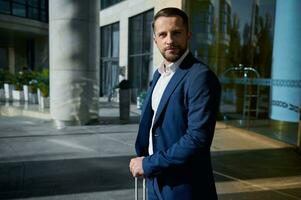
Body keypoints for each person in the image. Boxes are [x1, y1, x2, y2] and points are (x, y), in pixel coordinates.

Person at [129, 7, 221, 200]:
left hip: (185, 188)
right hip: (156, 182)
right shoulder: (159, 74)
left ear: (188, 35)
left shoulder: (200, 77)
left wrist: (148, 164)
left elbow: (197, 139)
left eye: (176, 33)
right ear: (155, 40)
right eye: (163, 34)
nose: (169, 40)